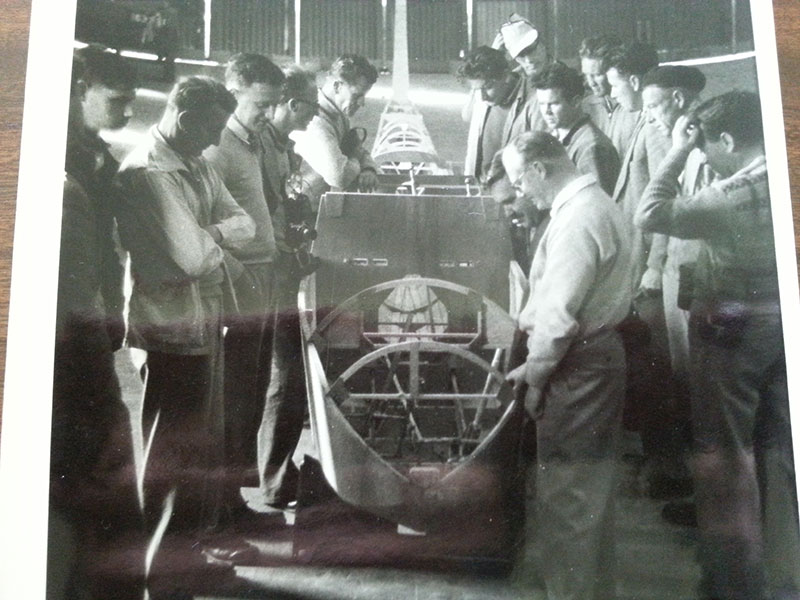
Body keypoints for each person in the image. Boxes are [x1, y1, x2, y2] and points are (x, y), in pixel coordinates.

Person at [636, 91, 800, 600]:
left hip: (731, 332)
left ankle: (735, 586)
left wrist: (678, 150)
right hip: (783, 326)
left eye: (709, 148)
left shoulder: (731, 196)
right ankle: (787, 574)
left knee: (725, 459)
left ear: (728, 139)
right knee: (782, 455)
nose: (707, 158)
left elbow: (651, 211)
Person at [114, 76, 255, 590]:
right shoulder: (151, 171)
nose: (217, 142)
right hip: (168, 327)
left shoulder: (191, 160)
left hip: (198, 319)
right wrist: (215, 240)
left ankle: (184, 558)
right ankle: (165, 572)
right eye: (212, 130)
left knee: (193, 447)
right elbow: (192, 258)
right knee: (170, 454)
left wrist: (209, 236)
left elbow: (246, 224)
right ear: (185, 118)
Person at [503, 132, 633, 600]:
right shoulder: (596, 204)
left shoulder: (578, 220)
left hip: (576, 365)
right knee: (587, 488)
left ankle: (570, 593)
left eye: (520, 180)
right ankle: (589, 589)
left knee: (568, 492)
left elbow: (559, 316)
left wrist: (537, 373)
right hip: (594, 357)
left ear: (540, 169)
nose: (520, 192)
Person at [50, 46, 139, 600]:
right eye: (117, 100)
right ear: (80, 92)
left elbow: (108, 256)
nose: (128, 111)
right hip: (68, 335)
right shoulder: (58, 166)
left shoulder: (95, 159)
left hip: (92, 322)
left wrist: (113, 309)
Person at [203, 53, 285, 516]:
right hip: (240, 283)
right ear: (233, 93)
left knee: (251, 394)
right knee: (232, 399)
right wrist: (238, 281)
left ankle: (233, 500)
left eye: (275, 105)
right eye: (261, 105)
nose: (270, 115)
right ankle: (221, 506)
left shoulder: (253, 142)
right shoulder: (217, 150)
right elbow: (207, 226)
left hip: (264, 275)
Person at [639, 65, 710, 505]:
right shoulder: (685, 145)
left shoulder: (699, 149)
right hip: (677, 276)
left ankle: (702, 497)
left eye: (654, 106)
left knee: (697, 387)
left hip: (697, 281)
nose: (649, 117)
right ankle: (694, 492)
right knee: (682, 381)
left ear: (679, 101)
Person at [256, 67, 320, 509]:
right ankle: (275, 479)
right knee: (284, 377)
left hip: (284, 269)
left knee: (287, 377)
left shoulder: (281, 148)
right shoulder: (260, 147)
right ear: (292, 103)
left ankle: (277, 474)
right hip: (271, 276)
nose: (314, 114)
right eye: (310, 105)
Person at [606, 40, 671, 292]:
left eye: (614, 85)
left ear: (634, 82)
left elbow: (665, 198)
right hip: (637, 247)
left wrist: (655, 266)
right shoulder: (643, 119)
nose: (611, 93)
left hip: (648, 256)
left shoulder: (656, 128)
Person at [291, 54, 379, 208]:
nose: (362, 103)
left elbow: (358, 150)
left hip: (323, 205)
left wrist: (368, 169)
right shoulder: (314, 120)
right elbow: (340, 175)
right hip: (305, 211)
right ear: (337, 86)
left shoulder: (338, 114)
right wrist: (356, 156)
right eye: (357, 95)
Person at [532, 61, 620, 194]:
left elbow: (595, 204)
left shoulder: (592, 148)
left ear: (576, 101)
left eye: (554, 104)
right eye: (542, 104)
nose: (546, 111)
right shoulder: (553, 136)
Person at [458, 46, 516, 179]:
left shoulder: (525, 103)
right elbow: (466, 116)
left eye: (488, 87)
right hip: (476, 179)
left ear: (506, 75)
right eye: (477, 89)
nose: (483, 97)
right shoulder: (481, 95)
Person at [578, 34, 638, 156]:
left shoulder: (635, 106)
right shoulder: (584, 108)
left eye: (596, 75)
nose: (590, 83)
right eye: (586, 75)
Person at [497, 14, 549, 144]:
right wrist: (493, 57)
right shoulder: (514, 81)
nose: (528, 60)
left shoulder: (564, 78)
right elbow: (469, 113)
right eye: (520, 55)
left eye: (531, 50)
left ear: (542, 44)